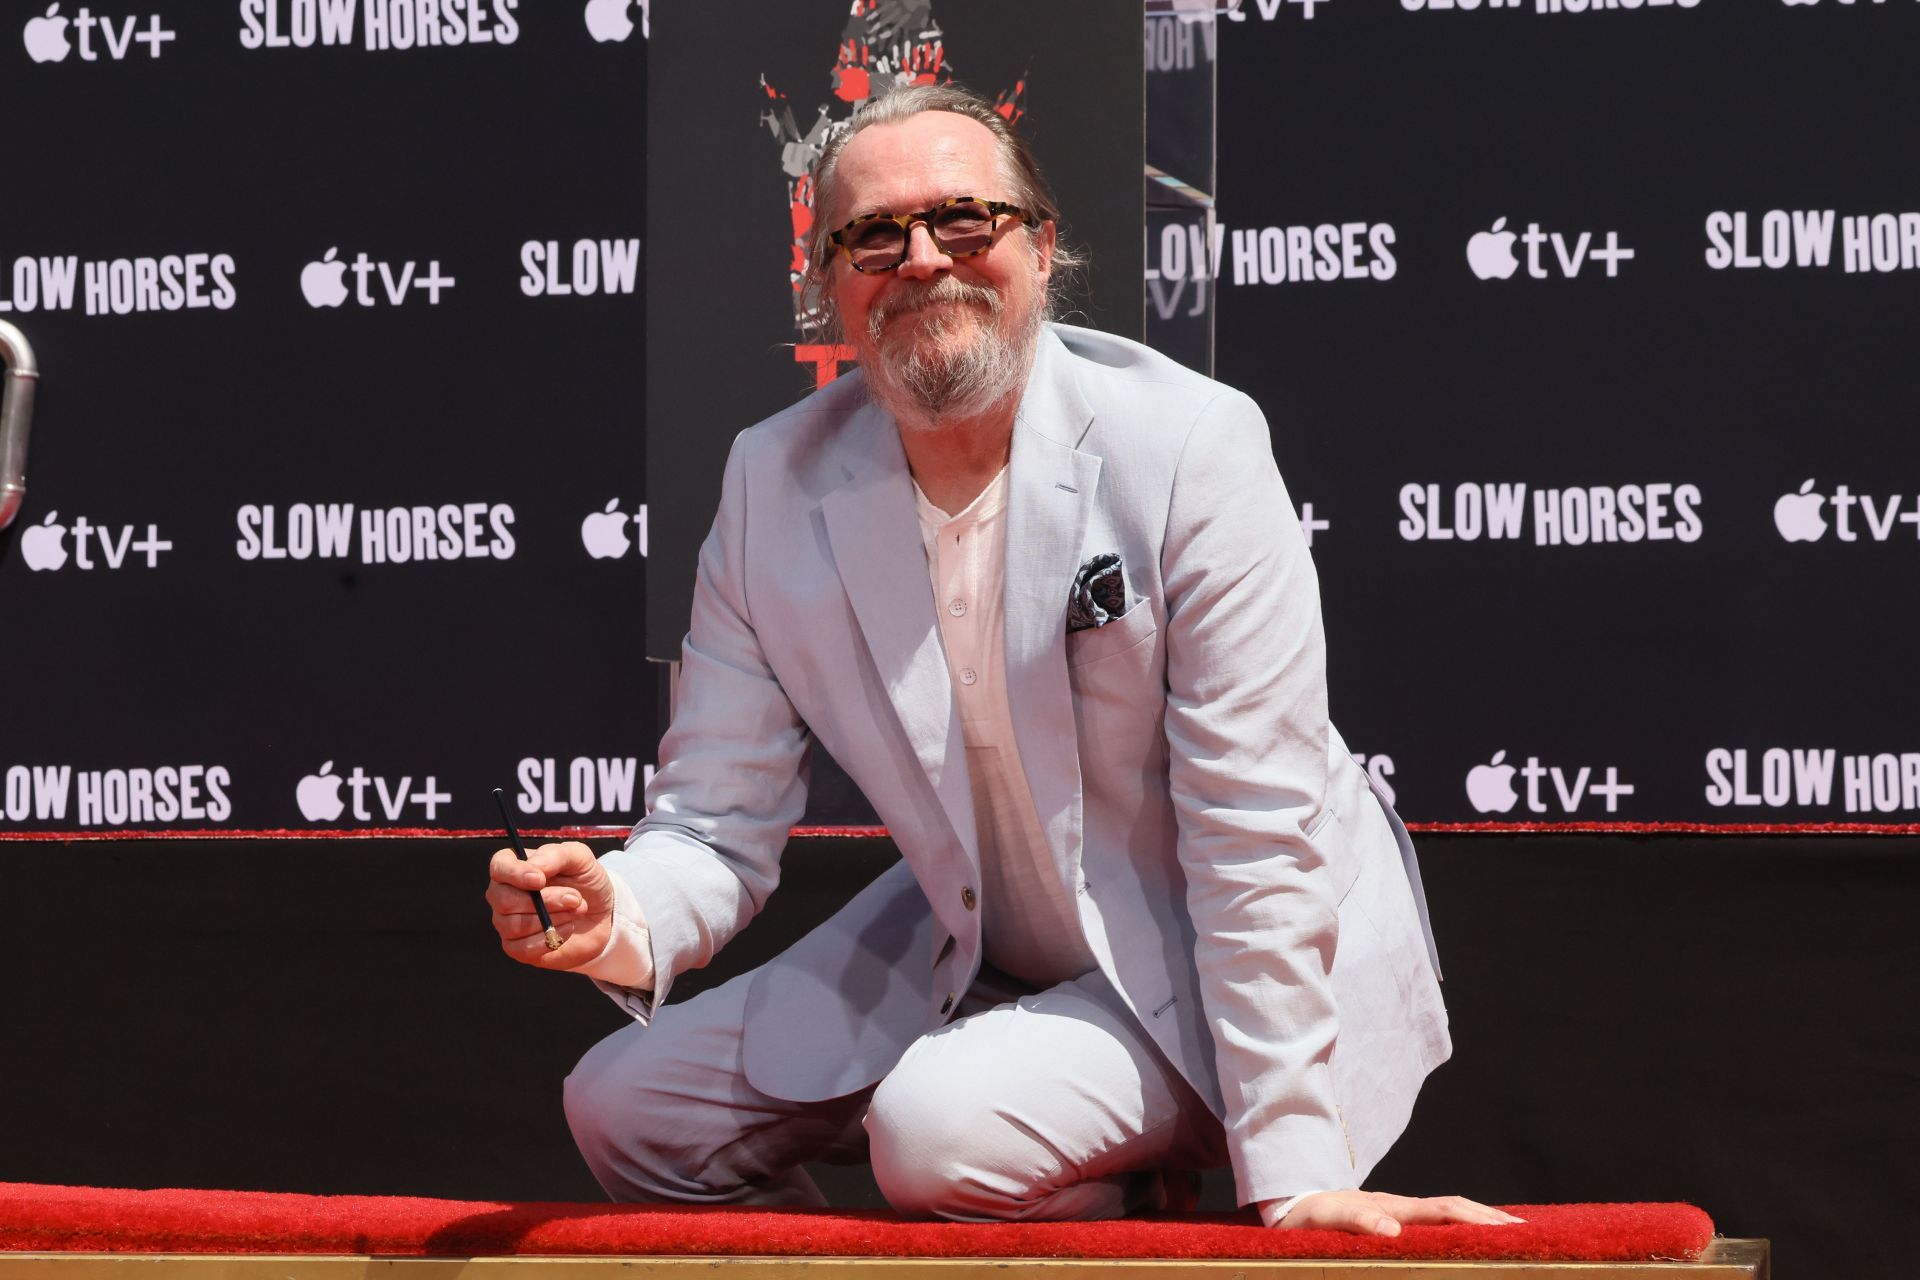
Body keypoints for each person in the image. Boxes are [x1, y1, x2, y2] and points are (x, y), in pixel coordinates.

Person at [488, 84, 1517, 1237]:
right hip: (976, 946)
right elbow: (714, 822)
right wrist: (614, 909)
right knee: (626, 1104)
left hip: (1214, 950)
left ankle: (1116, 1192)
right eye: (875, 234)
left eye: (966, 220)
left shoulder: (1190, 444)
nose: (925, 259)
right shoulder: (769, 481)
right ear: (828, 280)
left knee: (935, 1135)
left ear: (1042, 245)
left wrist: (1295, 1172)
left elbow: (1255, 826)